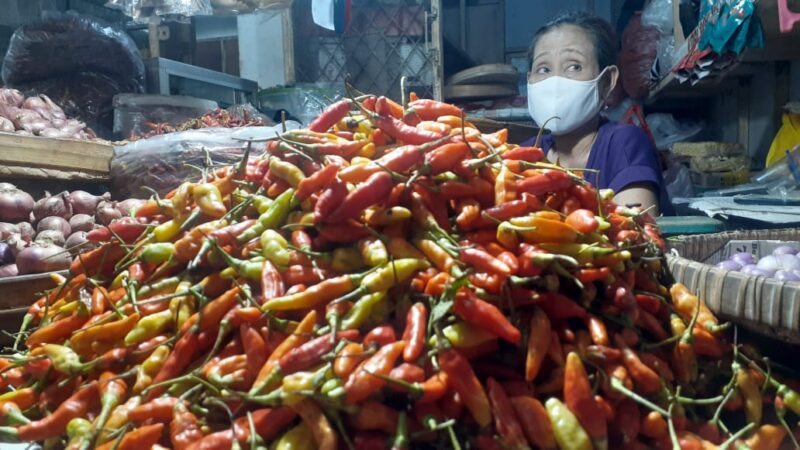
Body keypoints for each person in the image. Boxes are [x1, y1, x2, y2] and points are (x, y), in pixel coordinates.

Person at [525, 11, 673, 216]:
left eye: (574, 66)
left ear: (606, 82)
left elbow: (635, 236)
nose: (555, 81)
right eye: (543, 69)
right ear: (529, 80)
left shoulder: (624, 144)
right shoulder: (525, 154)